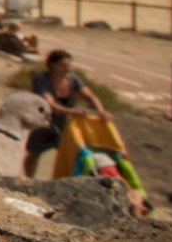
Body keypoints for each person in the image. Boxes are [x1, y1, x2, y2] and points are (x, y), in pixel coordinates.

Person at [22, 49, 108, 177]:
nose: (67, 69)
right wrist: (73, 111)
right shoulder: (41, 80)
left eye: (69, 66)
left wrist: (101, 111)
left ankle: (63, 181)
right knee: (34, 153)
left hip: (65, 124)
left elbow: (90, 96)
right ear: (52, 65)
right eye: (63, 66)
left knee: (71, 156)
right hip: (44, 122)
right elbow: (50, 105)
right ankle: (29, 180)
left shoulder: (73, 79)